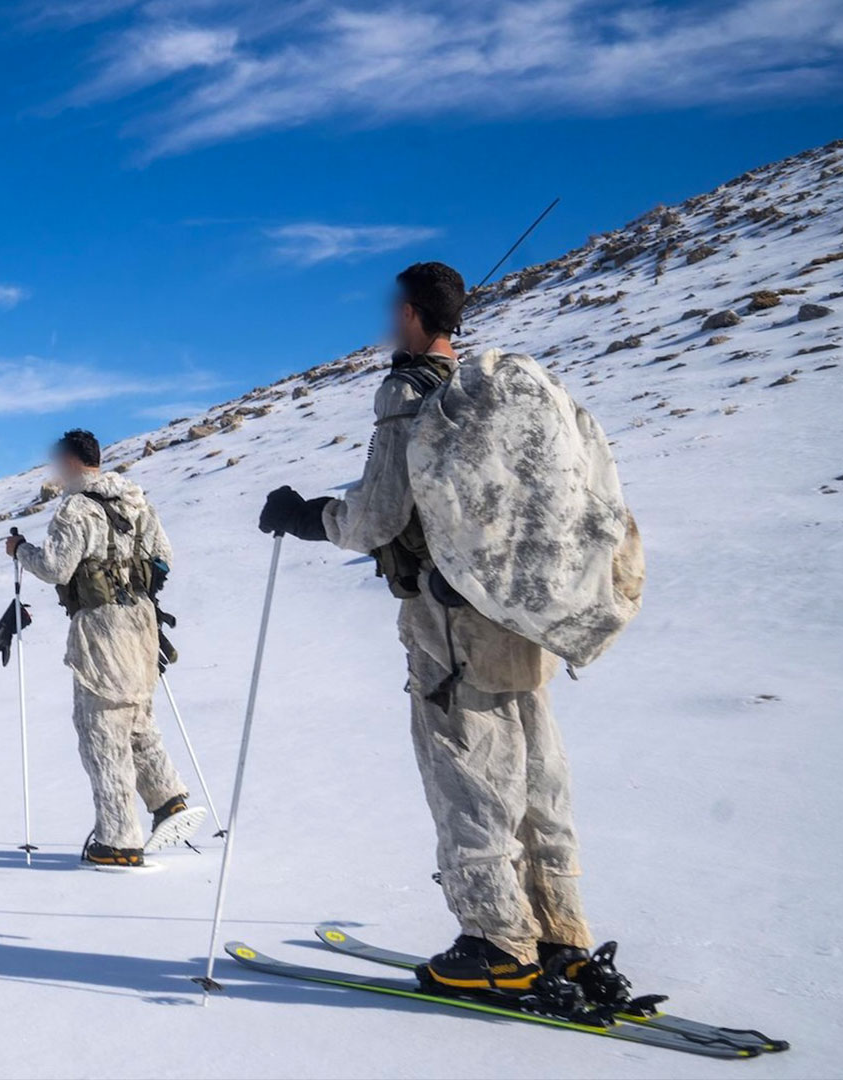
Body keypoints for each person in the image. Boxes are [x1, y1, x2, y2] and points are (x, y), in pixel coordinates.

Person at [257, 261, 619, 1000]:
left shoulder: (406, 392)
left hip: (447, 619)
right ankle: (560, 935)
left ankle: (494, 942)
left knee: (468, 767)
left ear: (415, 315)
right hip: (515, 608)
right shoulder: (494, 397)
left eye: (394, 309)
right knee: (535, 768)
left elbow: (380, 516)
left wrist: (307, 517)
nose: (387, 321)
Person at [5, 429, 195, 870]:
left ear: (70, 463)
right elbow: (163, 556)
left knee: (101, 730)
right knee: (137, 717)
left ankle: (118, 841)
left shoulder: (76, 507)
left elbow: (56, 568)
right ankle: (168, 799)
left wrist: (21, 550)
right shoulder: (133, 499)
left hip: (100, 627)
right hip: (141, 623)